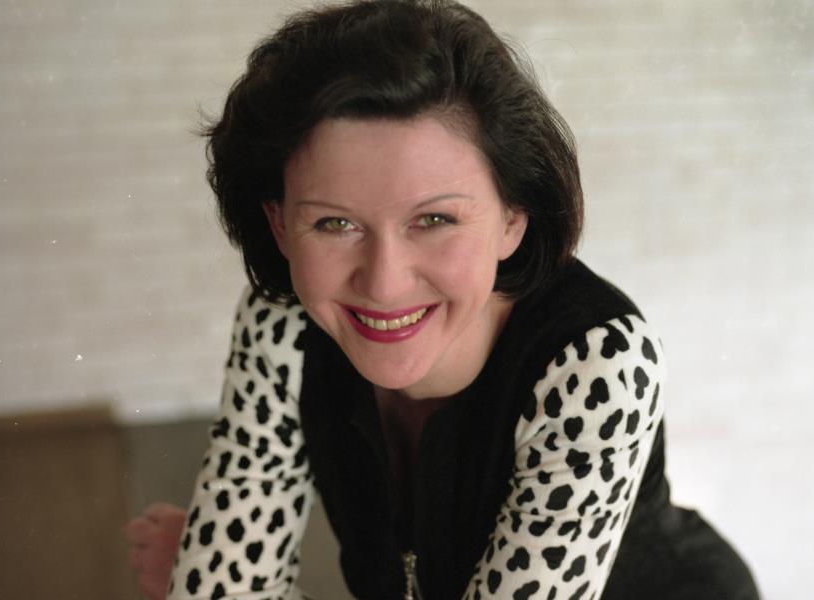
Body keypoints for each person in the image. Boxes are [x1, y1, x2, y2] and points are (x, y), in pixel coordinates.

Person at [126, 1, 760, 598]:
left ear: (514, 217)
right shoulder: (279, 321)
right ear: (279, 225)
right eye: (334, 223)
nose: (383, 283)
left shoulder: (600, 360)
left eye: (434, 220)